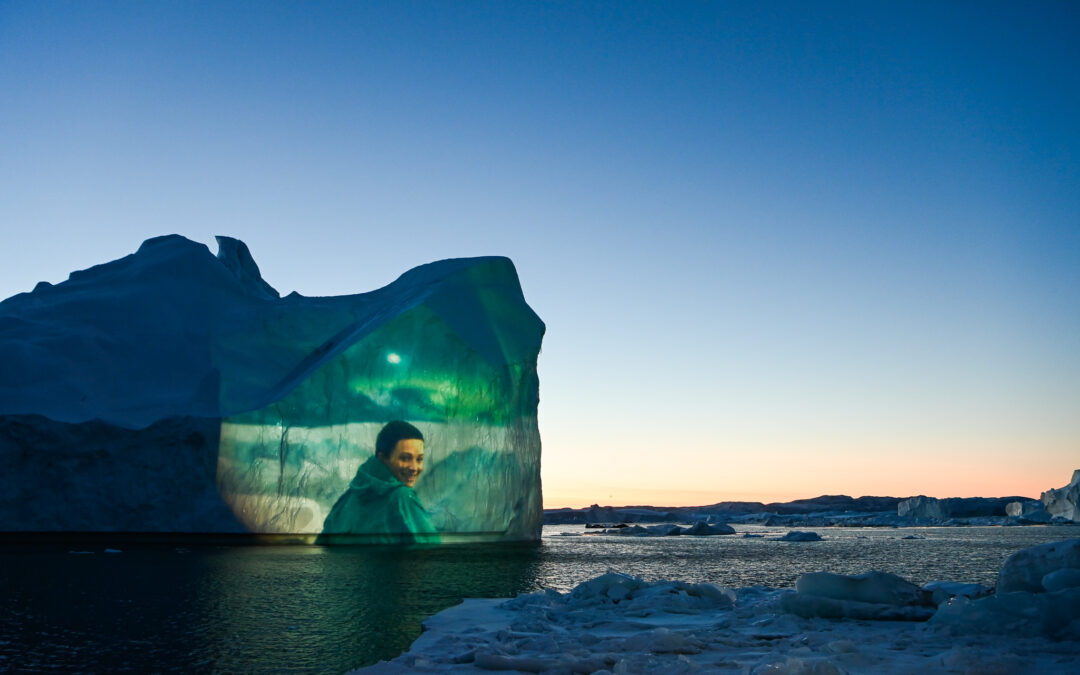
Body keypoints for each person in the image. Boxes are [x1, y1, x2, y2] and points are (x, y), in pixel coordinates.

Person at [317, 420, 439, 544]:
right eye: (405, 458)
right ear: (382, 458)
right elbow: (433, 551)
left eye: (419, 459)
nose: (414, 467)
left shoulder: (348, 499)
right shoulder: (402, 497)